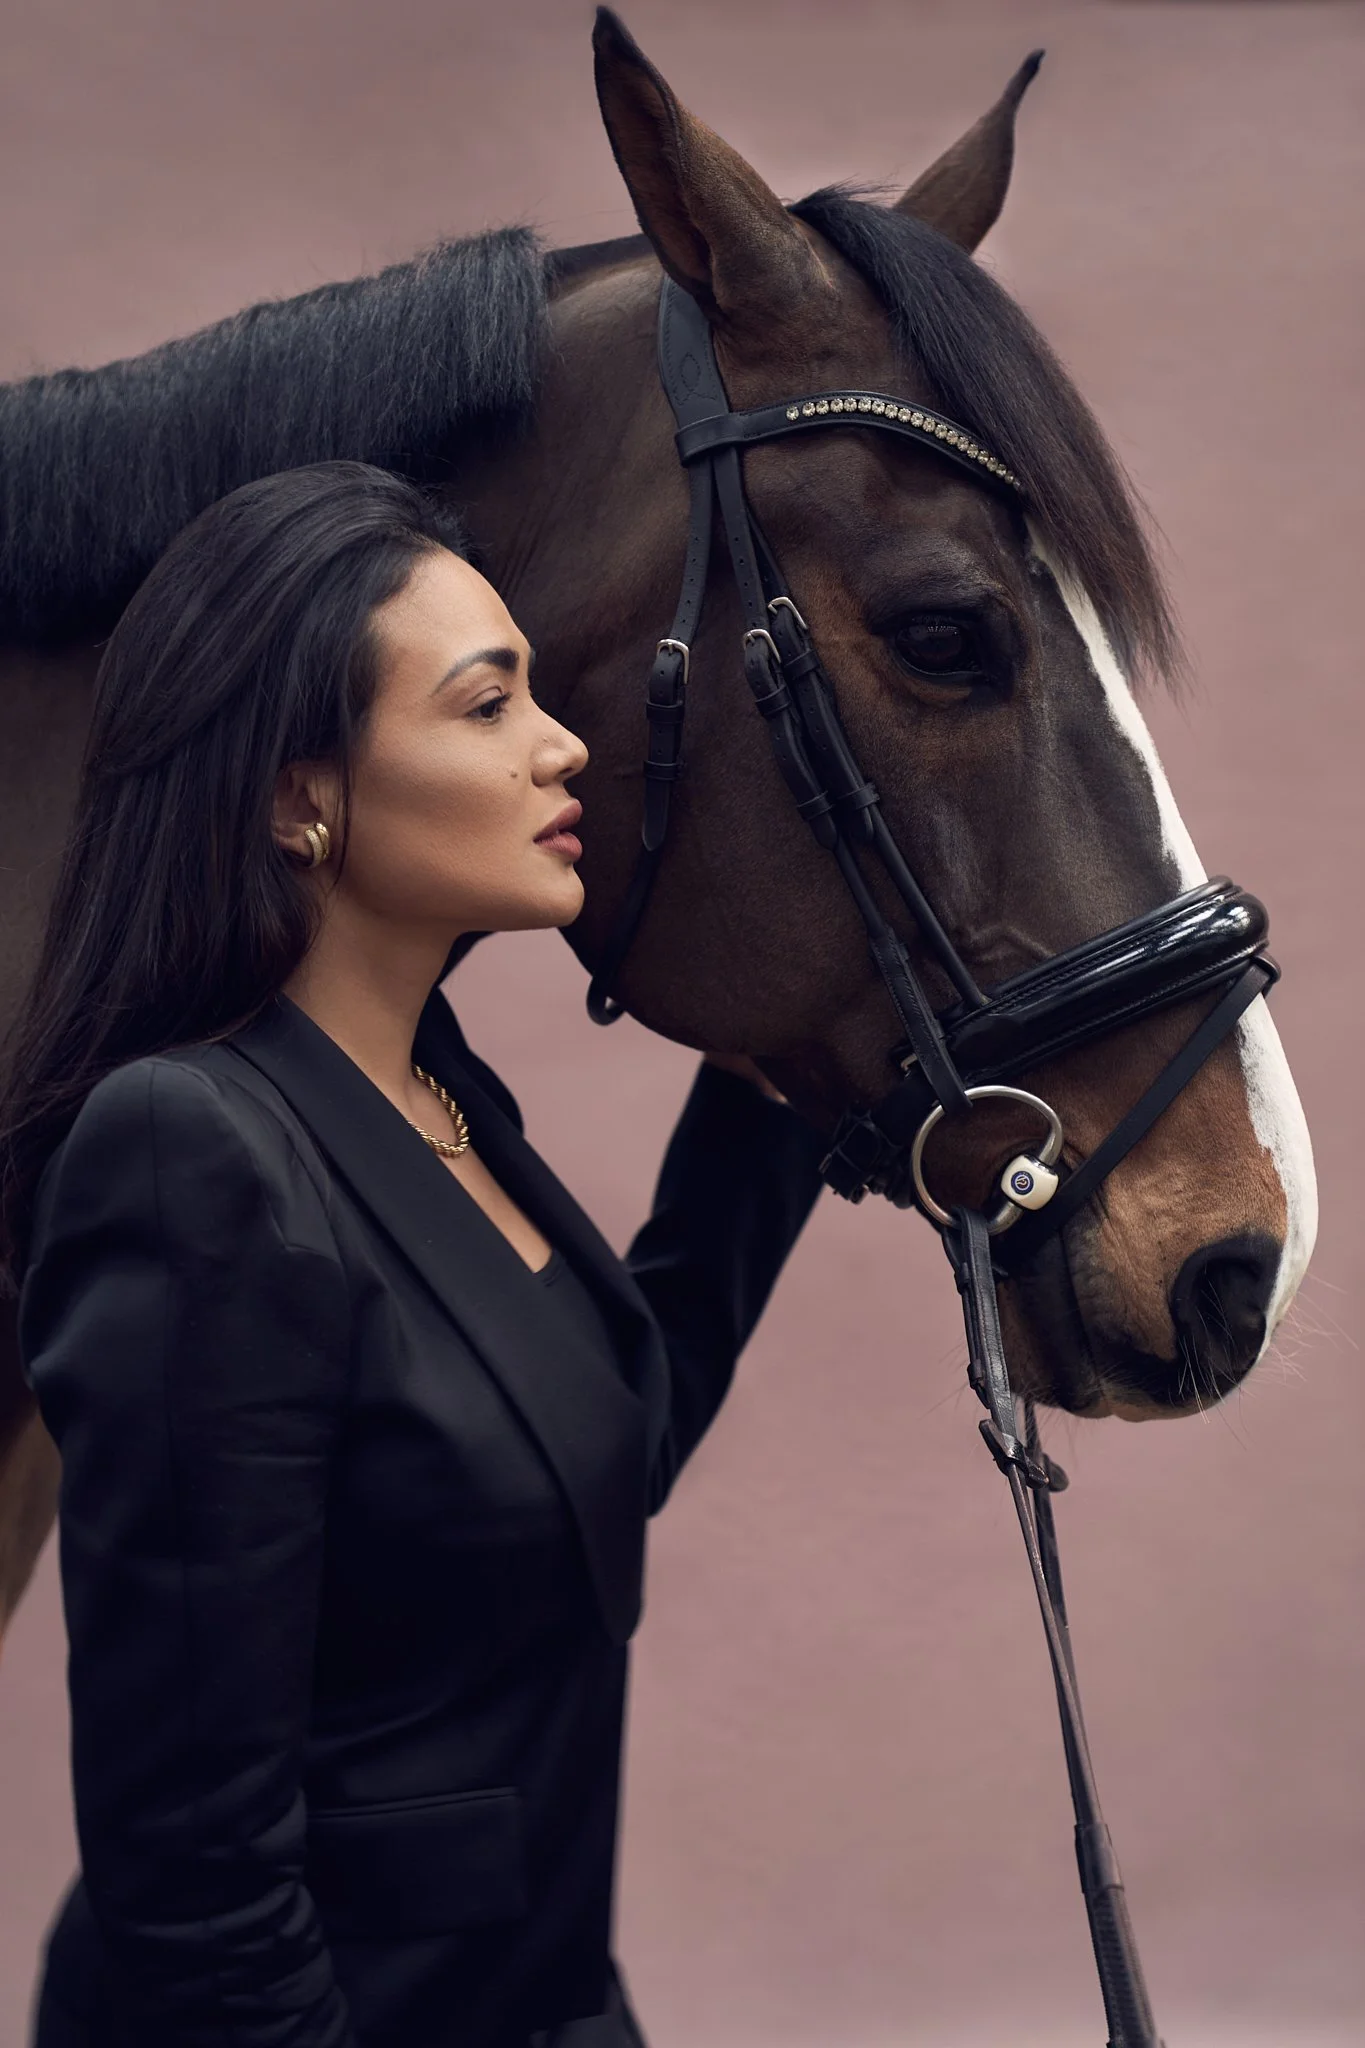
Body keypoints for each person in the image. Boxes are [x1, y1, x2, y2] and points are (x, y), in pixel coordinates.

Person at [0, 461, 826, 2048]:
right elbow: (197, 1883)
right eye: (486, 703)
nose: (561, 741)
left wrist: (761, 1106)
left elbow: (597, 1446)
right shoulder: (188, 1158)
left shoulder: (437, 1098)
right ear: (300, 793)